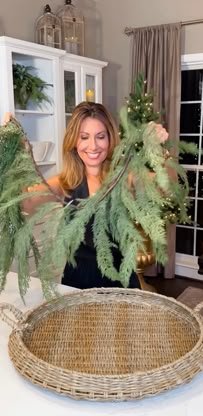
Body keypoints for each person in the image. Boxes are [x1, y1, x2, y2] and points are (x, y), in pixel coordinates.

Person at [3, 103, 168, 289]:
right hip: (78, 280)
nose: (93, 146)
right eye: (84, 137)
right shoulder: (65, 183)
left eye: (100, 137)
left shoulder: (124, 178)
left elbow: (166, 186)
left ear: (109, 139)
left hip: (120, 280)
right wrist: (22, 153)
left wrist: (159, 150)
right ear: (74, 141)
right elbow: (28, 204)